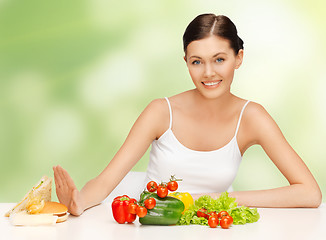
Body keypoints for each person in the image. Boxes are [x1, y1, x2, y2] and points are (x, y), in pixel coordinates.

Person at [53, 14, 322, 216]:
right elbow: (105, 182)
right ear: (186, 62)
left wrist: (221, 198)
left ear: (238, 58)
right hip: (151, 221)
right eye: (197, 62)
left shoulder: (252, 117)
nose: (208, 73)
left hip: (212, 223)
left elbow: (310, 193)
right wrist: (78, 202)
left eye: (219, 59)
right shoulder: (161, 112)